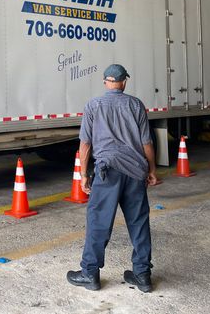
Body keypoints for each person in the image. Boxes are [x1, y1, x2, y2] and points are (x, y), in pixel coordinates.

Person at [67, 64, 158, 292]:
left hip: (107, 173)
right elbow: (146, 142)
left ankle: (90, 274)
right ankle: (142, 275)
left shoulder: (93, 105)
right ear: (124, 82)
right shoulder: (136, 105)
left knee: (99, 223)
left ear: (105, 82)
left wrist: (83, 174)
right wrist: (152, 169)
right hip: (135, 172)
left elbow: (86, 144)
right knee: (138, 223)